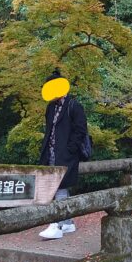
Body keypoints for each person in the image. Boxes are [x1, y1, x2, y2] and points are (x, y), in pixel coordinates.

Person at [38, 74, 89, 240]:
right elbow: (49, 131)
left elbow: (80, 130)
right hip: (51, 153)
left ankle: (56, 225)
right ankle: (67, 223)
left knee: (58, 186)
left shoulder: (74, 106)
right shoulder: (51, 107)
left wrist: (70, 150)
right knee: (60, 186)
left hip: (66, 154)